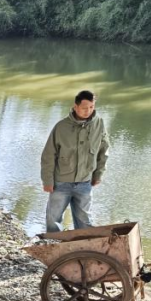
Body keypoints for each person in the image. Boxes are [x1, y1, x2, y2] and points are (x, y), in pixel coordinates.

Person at [41, 89, 110, 233]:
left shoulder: (99, 124)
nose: (88, 111)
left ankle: (83, 246)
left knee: (85, 221)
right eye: (84, 108)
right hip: (61, 183)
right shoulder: (61, 127)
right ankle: (54, 245)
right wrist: (47, 181)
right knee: (53, 219)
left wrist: (98, 175)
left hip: (85, 182)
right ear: (75, 106)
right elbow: (48, 155)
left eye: (91, 107)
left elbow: (103, 151)